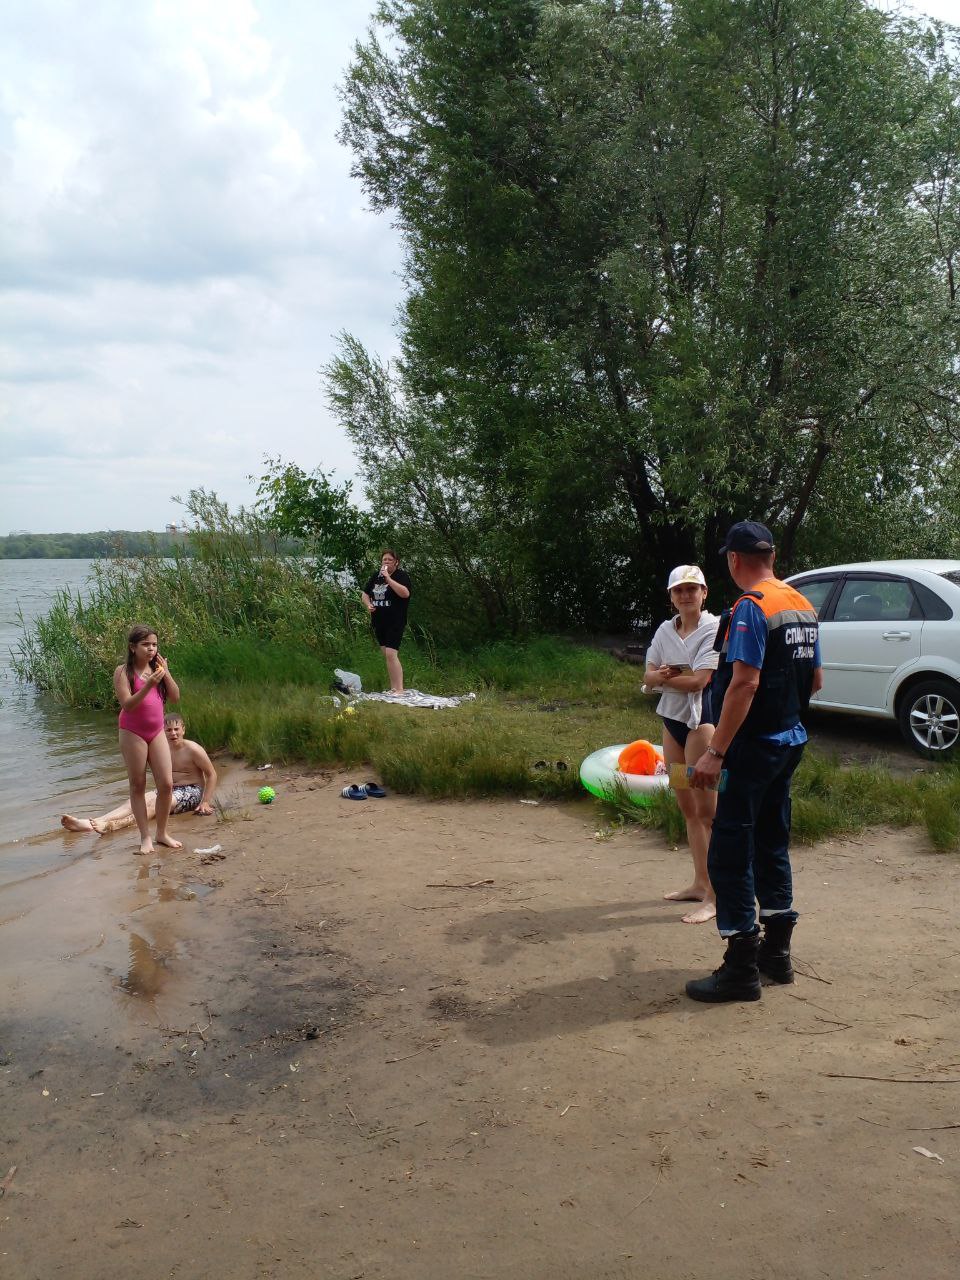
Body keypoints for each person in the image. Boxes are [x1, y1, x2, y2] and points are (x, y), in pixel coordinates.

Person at [686, 521, 822, 1003]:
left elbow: (744, 684)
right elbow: (817, 681)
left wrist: (715, 752)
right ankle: (777, 956)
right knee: (771, 842)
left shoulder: (750, 608)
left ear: (734, 560)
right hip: (790, 742)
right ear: (771, 557)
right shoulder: (802, 605)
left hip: (752, 748)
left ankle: (741, 967)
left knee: (730, 848)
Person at [644, 565, 720, 924]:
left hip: (701, 726)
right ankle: (698, 882)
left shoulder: (714, 627)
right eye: (679, 590)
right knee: (687, 806)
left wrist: (662, 679)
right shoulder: (664, 629)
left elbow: (700, 681)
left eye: (693, 589)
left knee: (708, 812)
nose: (686, 595)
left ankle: (716, 896)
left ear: (704, 593)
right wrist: (661, 678)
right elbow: (647, 674)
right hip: (671, 725)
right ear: (671, 596)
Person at [61, 712, 218, 836]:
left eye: (176, 729)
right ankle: (92, 822)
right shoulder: (161, 750)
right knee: (136, 802)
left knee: (152, 806)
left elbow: (211, 774)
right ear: (162, 732)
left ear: (183, 729)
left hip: (191, 791)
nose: (173, 734)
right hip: (168, 789)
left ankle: (113, 826)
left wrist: (205, 802)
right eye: (168, 730)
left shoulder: (193, 749)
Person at [113, 625, 182, 854]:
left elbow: (174, 697)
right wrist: (150, 684)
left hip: (156, 731)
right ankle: (145, 838)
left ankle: (162, 833)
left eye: (154, 644)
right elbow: (128, 705)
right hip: (132, 732)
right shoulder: (123, 672)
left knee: (166, 784)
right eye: (145, 645)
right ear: (133, 647)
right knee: (138, 784)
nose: (151, 649)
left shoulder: (158, 669)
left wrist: (166, 673)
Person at [361, 549, 412, 694]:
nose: (386, 562)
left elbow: (405, 593)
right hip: (379, 621)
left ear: (396, 562)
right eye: (384, 560)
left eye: (390, 560)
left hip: (395, 621)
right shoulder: (375, 576)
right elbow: (365, 594)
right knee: (387, 655)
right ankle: (393, 688)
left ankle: (400, 689)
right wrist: (368, 604)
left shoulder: (401, 576)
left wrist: (388, 579)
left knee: (391, 654)